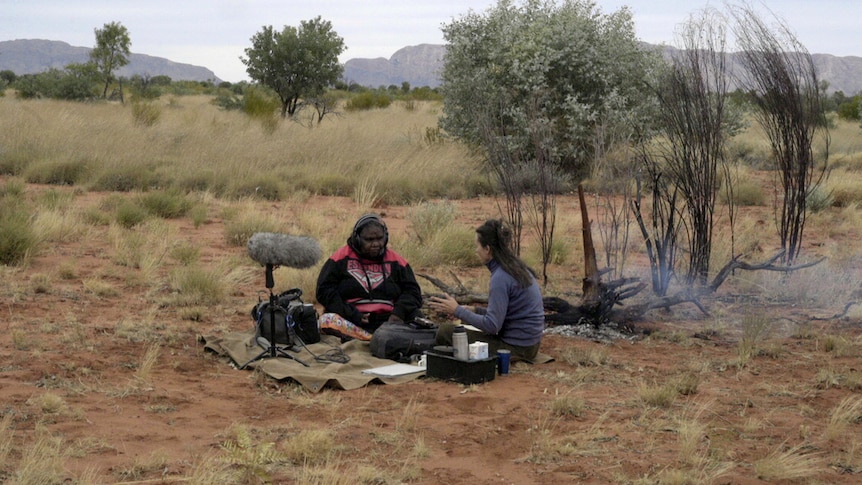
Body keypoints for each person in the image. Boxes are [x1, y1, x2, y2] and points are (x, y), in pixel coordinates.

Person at [428, 219, 544, 363]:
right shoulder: (515, 267)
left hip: (516, 348)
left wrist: (458, 310)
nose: (476, 250)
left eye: (477, 245)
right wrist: (474, 310)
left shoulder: (500, 277)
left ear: (488, 249)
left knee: (445, 332)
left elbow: (492, 326)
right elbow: (506, 314)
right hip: (531, 344)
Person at [316, 213, 423, 341]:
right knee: (327, 320)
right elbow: (324, 291)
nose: (376, 244)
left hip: (390, 322)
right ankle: (378, 340)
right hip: (353, 321)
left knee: (419, 319)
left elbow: (413, 292)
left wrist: (398, 313)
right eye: (369, 240)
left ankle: (377, 339)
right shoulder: (340, 258)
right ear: (357, 238)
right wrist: (352, 314)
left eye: (380, 238)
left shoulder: (397, 261)